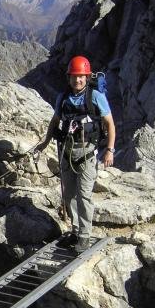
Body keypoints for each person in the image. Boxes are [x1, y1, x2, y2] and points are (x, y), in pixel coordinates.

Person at [35, 55, 116, 253]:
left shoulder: (95, 96)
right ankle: (75, 231)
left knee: (84, 195)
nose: (77, 80)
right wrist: (44, 143)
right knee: (69, 194)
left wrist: (110, 150)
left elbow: (110, 124)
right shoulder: (62, 98)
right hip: (67, 153)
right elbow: (54, 122)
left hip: (87, 154)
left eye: (81, 76)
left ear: (87, 77)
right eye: (74, 76)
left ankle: (85, 236)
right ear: (69, 77)